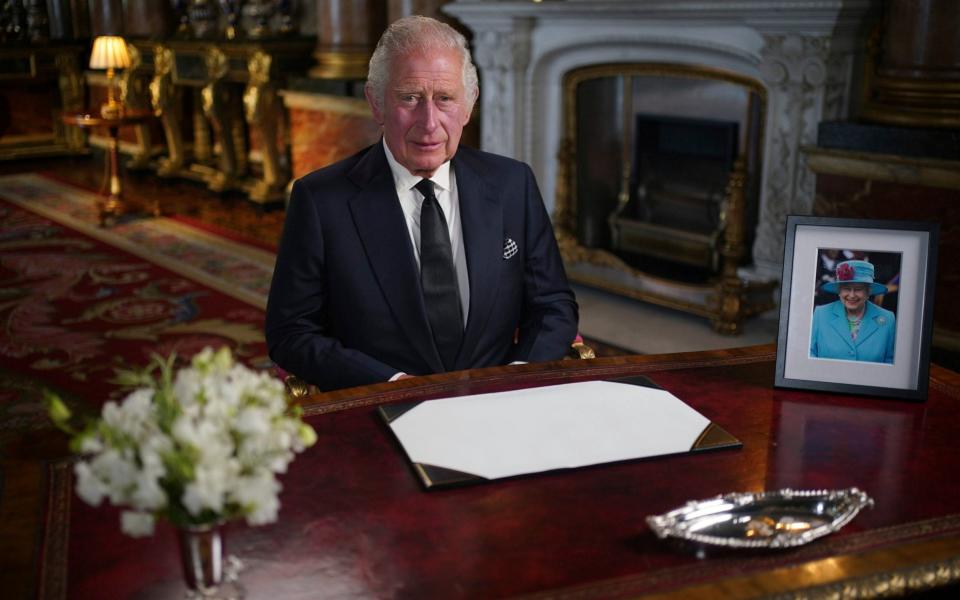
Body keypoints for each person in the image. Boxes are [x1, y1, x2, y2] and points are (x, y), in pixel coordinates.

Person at [265, 16, 579, 391]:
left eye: (445, 98)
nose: (429, 122)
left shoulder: (513, 184)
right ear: (376, 103)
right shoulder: (321, 201)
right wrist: (391, 384)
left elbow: (553, 304)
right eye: (409, 98)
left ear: (469, 104)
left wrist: (516, 375)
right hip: (381, 409)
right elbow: (291, 332)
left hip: (500, 404)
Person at [809, 259, 896, 364]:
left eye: (858, 289)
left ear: (868, 291)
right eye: (846, 288)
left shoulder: (887, 319)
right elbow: (810, 355)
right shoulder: (820, 314)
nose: (852, 295)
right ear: (839, 291)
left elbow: (890, 363)